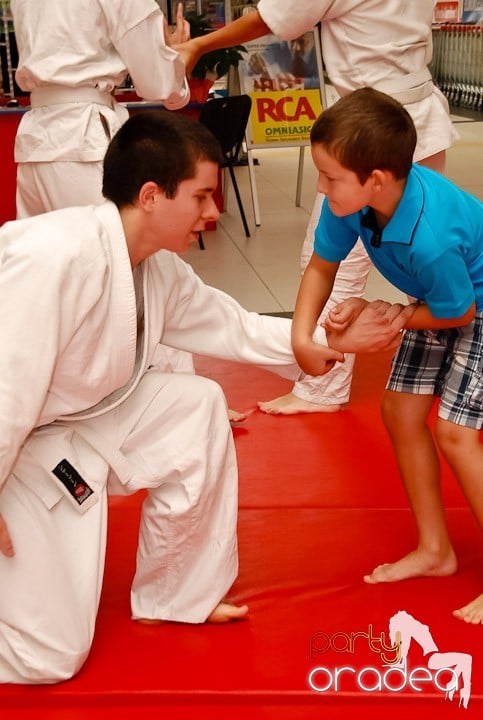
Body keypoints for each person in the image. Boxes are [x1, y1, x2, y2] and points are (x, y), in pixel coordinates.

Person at [0, 109, 413, 684]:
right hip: (16, 449)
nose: (212, 212)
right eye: (200, 196)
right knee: (49, 655)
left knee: (196, 404)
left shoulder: (154, 268)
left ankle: (178, 592)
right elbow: (7, 386)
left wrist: (336, 340)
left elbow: (236, 327)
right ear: (150, 195)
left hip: (74, 424)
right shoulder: (53, 258)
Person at [177, 0, 458, 414]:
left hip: (373, 132)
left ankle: (323, 388)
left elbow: (275, 16)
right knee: (425, 261)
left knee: (336, 263)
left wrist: (199, 45)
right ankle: (454, 369)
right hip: (420, 120)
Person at [291, 87, 483, 624]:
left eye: (330, 178)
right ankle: (436, 551)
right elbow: (322, 268)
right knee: (399, 412)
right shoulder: (351, 205)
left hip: (470, 306)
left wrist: (386, 316)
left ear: (375, 180)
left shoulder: (429, 235)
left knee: (456, 433)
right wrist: (301, 339)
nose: (323, 188)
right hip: (437, 301)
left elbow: (459, 313)